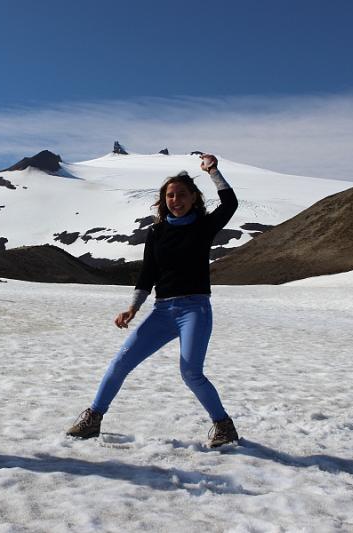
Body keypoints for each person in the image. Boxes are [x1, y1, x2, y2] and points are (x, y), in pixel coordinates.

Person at [66, 154, 240, 447]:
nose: (176, 199)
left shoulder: (203, 226)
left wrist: (213, 171)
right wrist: (132, 308)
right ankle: (93, 418)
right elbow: (147, 274)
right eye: (170, 195)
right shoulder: (157, 232)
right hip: (163, 311)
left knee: (190, 372)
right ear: (163, 200)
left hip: (194, 308)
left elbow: (230, 204)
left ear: (193, 197)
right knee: (121, 362)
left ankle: (223, 425)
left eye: (182, 194)